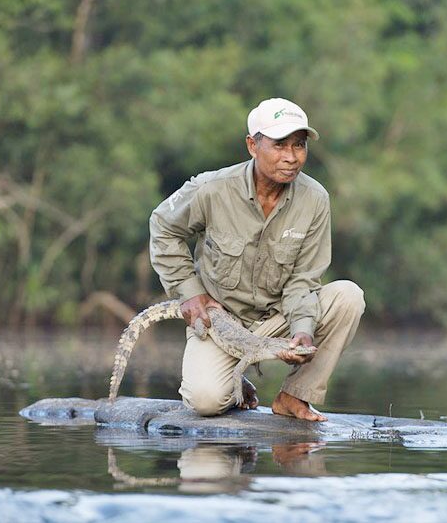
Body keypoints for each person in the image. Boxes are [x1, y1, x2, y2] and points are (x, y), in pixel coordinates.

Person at [149, 97, 365, 422]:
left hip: (279, 317)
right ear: (253, 145)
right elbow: (163, 225)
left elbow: (304, 280)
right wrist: (189, 291)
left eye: (299, 145)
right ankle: (236, 381)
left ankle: (294, 396)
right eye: (280, 145)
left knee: (348, 296)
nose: (291, 157)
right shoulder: (212, 189)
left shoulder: (315, 199)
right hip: (220, 320)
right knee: (206, 401)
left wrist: (303, 332)